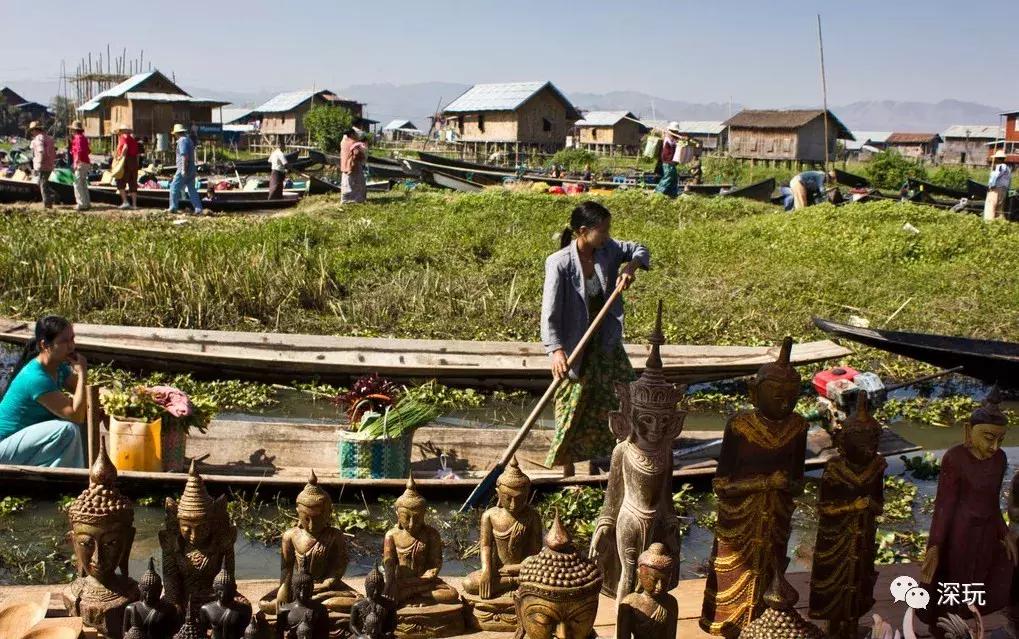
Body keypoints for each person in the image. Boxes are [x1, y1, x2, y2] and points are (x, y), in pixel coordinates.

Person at [541, 201, 650, 477]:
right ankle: (566, 470)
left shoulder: (608, 249)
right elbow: (549, 312)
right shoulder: (560, 264)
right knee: (572, 403)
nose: (607, 235)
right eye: (602, 231)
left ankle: (608, 459)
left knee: (624, 393)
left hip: (604, 341)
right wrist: (556, 350)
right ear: (582, 231)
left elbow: (640, 248)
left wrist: (631, 267)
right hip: (575, 345)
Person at [0, 316, 86, 468]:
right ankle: (69, 482)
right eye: (64, 341)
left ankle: (72, 476)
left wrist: (110, 405)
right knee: (67, 430)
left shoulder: (58, 367)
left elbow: (83, 393)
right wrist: (83, 373)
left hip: (22, 445)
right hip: (4, 447)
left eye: (72, 339)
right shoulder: (36, 377)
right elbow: (76, 415)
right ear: (45, 345)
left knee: (84, 420)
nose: (71, 346)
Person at [168, 123, 203, 214]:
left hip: (184, 167)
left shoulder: (181, 141)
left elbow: (184, 156)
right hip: (192, 168)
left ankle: (173, 207)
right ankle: (198, 208)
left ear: (176, 133)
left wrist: (183, 169)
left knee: (173, 187)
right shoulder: (189, 140)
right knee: (192, 189)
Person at [28, 121, 56, 209]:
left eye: (32, 130)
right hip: (50, 164)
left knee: (43, 185)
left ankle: (47, 204)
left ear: (34, 130)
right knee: (42, 183)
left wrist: (39, 163)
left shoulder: (38, 139)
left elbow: (40, 151)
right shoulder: (49, 138)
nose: (32, 133)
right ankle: (50, 199)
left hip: (42, 165)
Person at [114, 124, 139, 210]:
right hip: (134, 162)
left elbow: (125, 147)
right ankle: (134, 205)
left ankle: (125, 202)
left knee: (120, 181)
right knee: (133, 183)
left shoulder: (123, 137)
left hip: (126, 161)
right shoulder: (132, 139)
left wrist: (120, 157)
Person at [339, 128, 367, 204]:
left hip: (344, 165)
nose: (356, 135)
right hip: (353, 165)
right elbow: (357, 153)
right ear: (352, 134)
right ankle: (356, 200)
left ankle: (345, 199)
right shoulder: (354, 143)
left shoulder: (343, 142)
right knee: (357, 184)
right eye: (355, 134)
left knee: (346, 184)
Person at [655, 122, 682, 197]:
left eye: (677, 131)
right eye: (675, 131)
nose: (677, 132)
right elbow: (672, 141)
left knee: (674, 178)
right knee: (668, 177)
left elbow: (677, 142)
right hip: (667, 161)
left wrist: (680, 138)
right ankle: (658, 192)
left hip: (672, 162)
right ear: (671, 131)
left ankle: (672, 194)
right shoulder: (668, 138)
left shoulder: (674, 138)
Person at [69, 120, 91, 211]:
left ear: (74, 130)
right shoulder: (84, 138)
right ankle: (86, 203)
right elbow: (88, 151)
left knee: (77, 184)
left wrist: (75, 162)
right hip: (86, 162)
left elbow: (78, 151)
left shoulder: (77, 138)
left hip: (80, 162)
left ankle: (81, 204)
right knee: (83, 183)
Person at [985, 150, 1013, 221]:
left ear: (998, 158)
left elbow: (996, 175)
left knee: (990, 207)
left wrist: (991, 185)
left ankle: (989, 223)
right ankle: (1000, 224)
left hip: (996, 189)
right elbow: (1009, 180)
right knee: (999, 209)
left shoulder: (1000, 166)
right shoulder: (1007, 168)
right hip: (1003, 190)